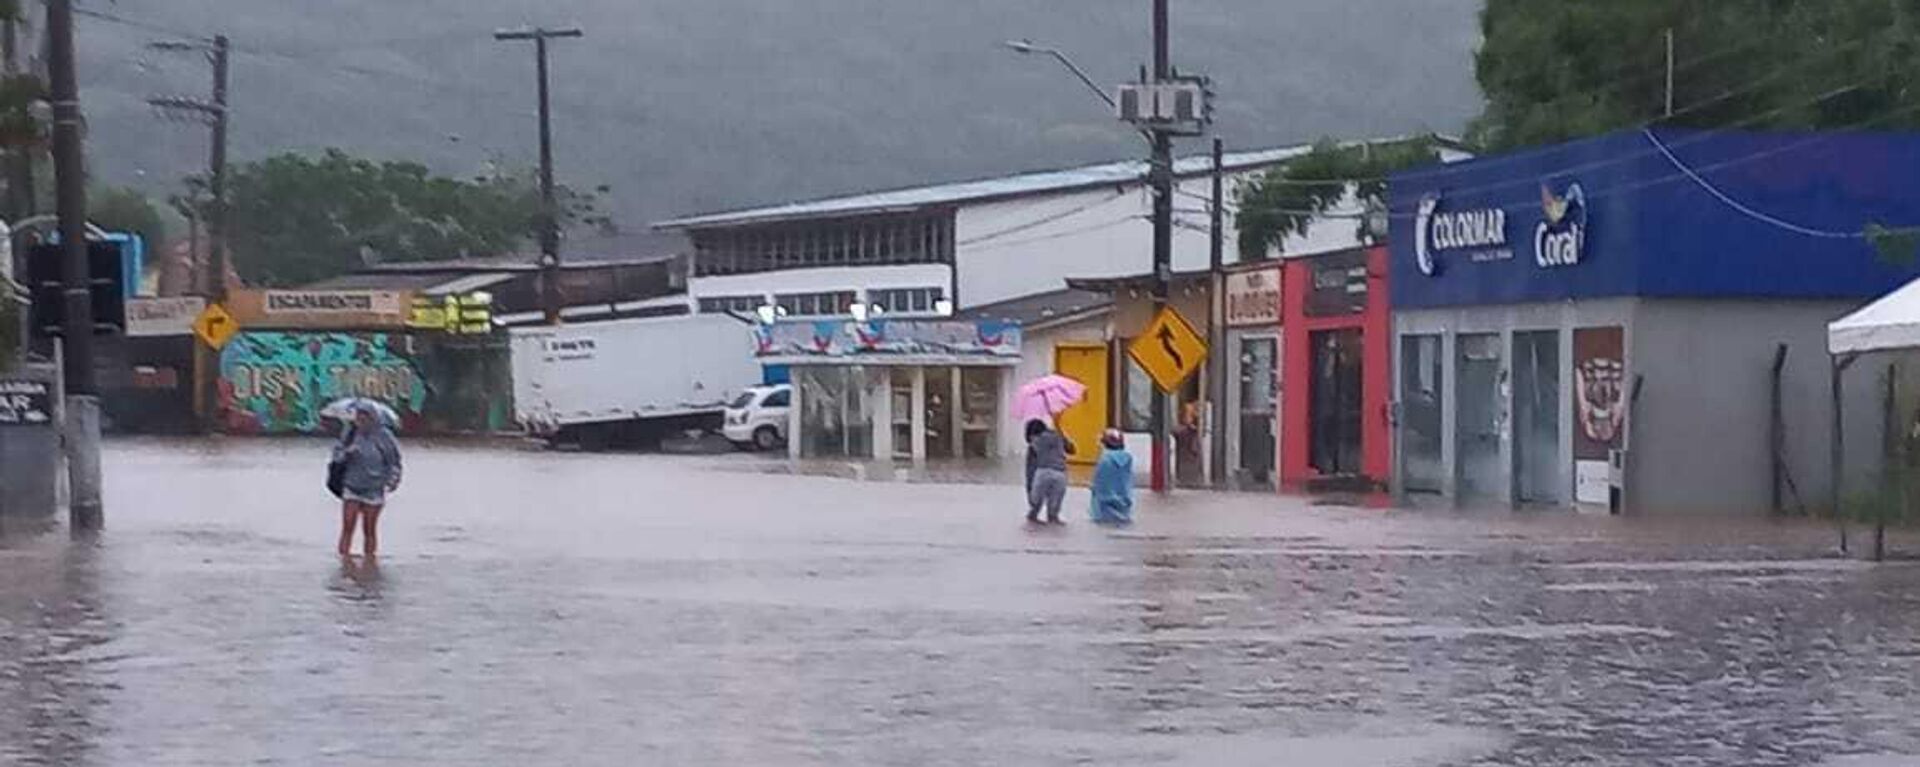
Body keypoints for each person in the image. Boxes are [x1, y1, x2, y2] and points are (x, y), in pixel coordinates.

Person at [333, 402, 403, 558]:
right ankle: (344, 561)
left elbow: (394, 462)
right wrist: (347, 453)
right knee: (347, 526)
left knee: (369, 529)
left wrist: (393, 481)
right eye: (359, 417)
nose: (361, 421)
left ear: (373, 418)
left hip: (374, 488)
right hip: (352, 485)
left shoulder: (384, 436)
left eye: (365, 418)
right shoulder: (349, 434)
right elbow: (336, 456)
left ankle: (370, 560)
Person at [1024, 419, 1073, 525]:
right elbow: (1072, 450)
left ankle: (1033, 517)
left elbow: (1030, 470)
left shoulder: (1034, 443)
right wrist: (1062, 435)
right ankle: (1053, 519)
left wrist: (1029, 489)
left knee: (1035, 506)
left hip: (1043, 472)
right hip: (1060, 472)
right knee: (1054, 509)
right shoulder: (1057, 436)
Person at [1090, 429, 1134, 526]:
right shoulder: (1128, 458)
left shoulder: (1105, 459)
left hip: (1105, 504)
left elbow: (1099, 481)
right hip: (1124, 500)